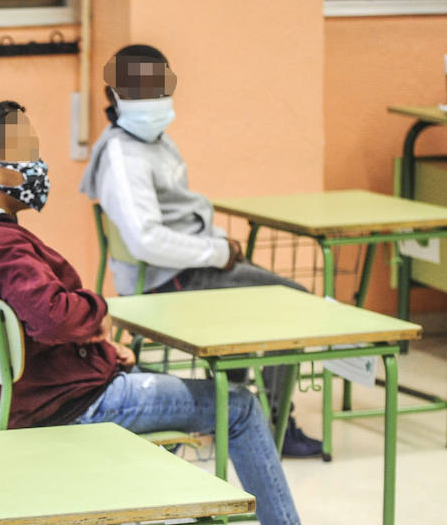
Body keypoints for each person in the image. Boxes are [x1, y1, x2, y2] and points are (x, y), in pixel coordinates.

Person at [0, 98, 380, 525]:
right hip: (78, 405)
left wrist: (99, 350)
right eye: (27, 154)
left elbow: (34, 328)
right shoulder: (5, 247)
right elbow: (51, 314)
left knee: (170, 404)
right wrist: (98, 310)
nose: (38, 165)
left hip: (41, 400)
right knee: (240, 406)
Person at [78, 44, 322, 457]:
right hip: (168, 279)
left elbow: (183, 212)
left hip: (187, 266)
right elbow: (146, 240)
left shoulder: (154, 139)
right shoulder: (123, 154)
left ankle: (245, 414)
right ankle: (277, 423)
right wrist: (214, 252)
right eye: (140, 89)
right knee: (290, 302)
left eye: (160, 86)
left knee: (266, 293)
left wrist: (218, 244)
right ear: (114, 95)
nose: (154, 98)